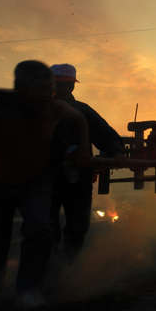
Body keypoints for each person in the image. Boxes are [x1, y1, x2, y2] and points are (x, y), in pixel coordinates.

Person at [0, 60, 89, 308]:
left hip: (36, 181)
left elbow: (80, 120)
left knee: (40, 230)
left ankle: (29, 288)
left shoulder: (54, 108)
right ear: (20, 87)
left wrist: (83, 149)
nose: (47, 94)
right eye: (40, 88)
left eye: (49, 88)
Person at [48, 64, 125, 257]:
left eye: (69, 85)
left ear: (73, 87)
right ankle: (47, 269)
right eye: (60, 85)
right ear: (51, 85)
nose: (65, 89)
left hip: (78, 180)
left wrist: (116, 151)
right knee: (45, 228)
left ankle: (67, 265)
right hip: (45, 180)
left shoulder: (83, 111)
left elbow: (107, 135)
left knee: (78, 227)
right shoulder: (37, 112)